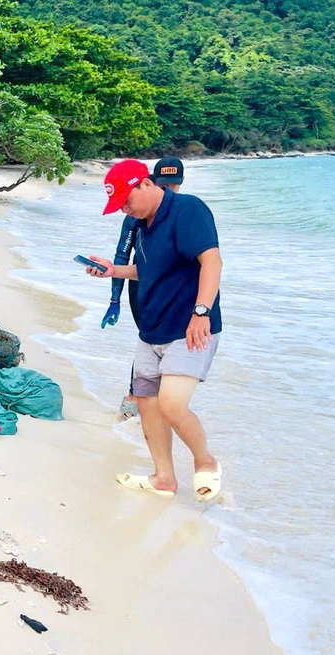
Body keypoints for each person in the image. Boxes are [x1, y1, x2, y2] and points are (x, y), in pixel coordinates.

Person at [84, 159, 223, 502]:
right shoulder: (142, 223)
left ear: (145, 184)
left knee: (172, 405)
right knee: (146, 403)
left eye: (126, 202)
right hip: (151, 329)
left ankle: (206, 462)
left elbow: (212, 261)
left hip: (189, 327)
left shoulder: (188, 210)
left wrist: (201, 312)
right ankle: (164, 477)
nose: (124, 211)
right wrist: (113, 270)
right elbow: (147, 271)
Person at [101, 157, 186, 419]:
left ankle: (161, 401)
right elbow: (121, 254)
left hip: (173, 290)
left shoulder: (183, 211)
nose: (170, 190)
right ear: (151, 182)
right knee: (149, 341)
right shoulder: (136, 214)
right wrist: (115, 299)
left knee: (172, 345)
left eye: (175, 185)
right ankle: (134, 396)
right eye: (165, 184)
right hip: (143, 286)